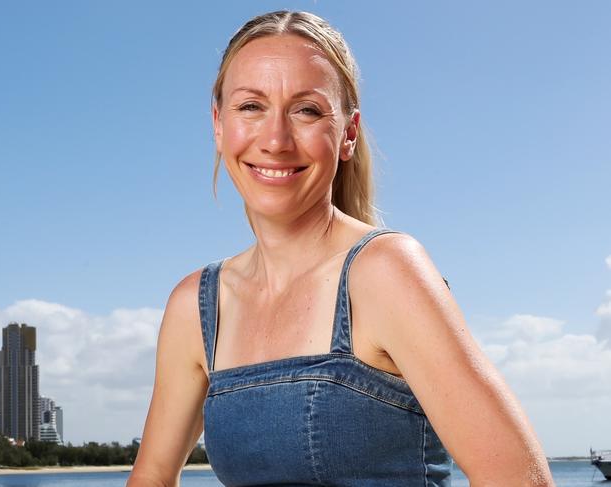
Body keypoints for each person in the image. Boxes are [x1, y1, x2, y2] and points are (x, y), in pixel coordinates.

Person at [127, 10, 555, 487]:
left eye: (306, 110)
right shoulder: (196, 306)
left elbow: (520, 478)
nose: (275, 140)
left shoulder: (386, 272)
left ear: (348, 134)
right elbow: (152, 476)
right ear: (218, 124)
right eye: (251, 107)